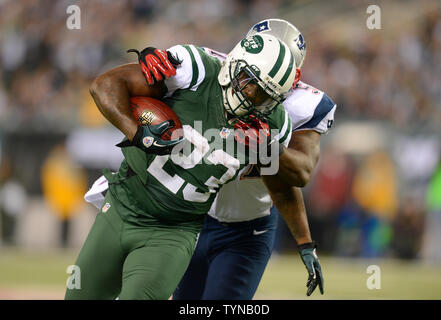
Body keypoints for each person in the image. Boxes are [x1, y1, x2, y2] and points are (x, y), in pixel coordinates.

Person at [65, 33, 297, 299]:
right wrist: (138, 134)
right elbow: (104, 85)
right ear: (234, 64)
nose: (251, 96)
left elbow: (287, 183)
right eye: (249, 83)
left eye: (264, 95)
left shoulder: (273, 125)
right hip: (122, 206)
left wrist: (270, 149)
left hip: (173, 232)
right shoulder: (195, 70)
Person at [172, 19, 336, 299]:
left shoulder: (301, 107)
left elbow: (300, 174)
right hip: (192, 216)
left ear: (292, 77)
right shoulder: (211, 71)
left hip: (247, 231)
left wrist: (268, 147)